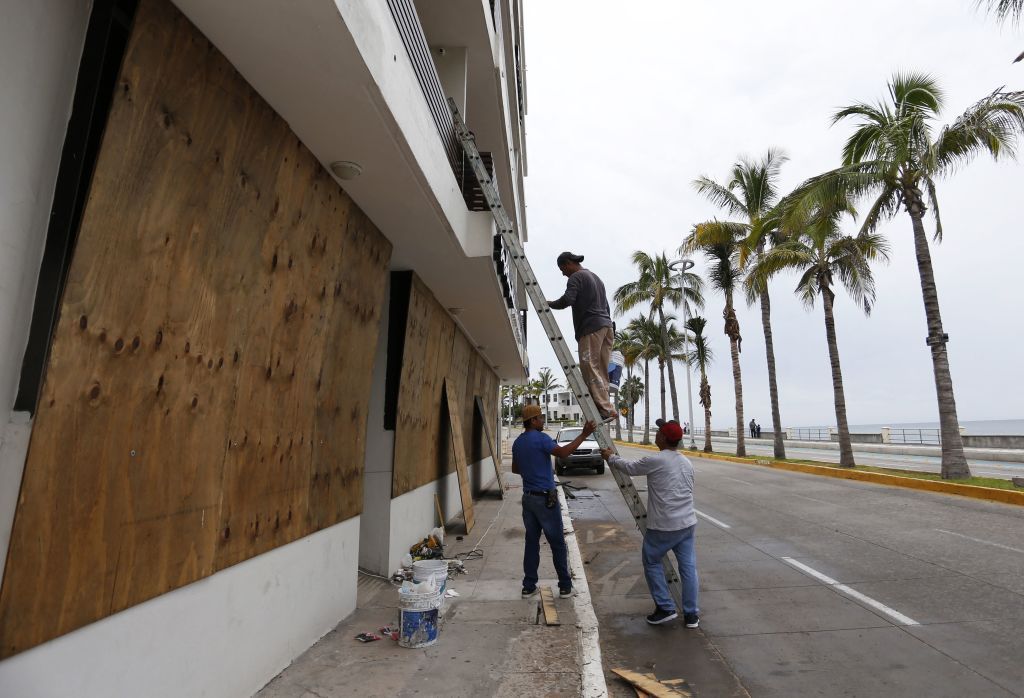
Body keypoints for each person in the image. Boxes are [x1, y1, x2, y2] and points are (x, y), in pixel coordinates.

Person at [600, 419, 699, 627]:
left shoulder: (657, 460)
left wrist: (610, 457)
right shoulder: (686, 462)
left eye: (658, 432)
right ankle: (691, 615)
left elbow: (629, 467)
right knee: (688, 568)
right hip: (687, 523)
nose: (655, 435)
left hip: (664, 525)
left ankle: (665, 607)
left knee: (651, 560)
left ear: (663, 438)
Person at [512, 404, 596, 599]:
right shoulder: (541, 439)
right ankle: (565, 586)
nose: (543, 420)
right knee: (557, 542)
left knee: (531, 542)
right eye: (540, 417)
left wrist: (533, 469)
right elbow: (563, 453)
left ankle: (529, 586)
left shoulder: (518, 442)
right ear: (533, 421)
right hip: (545, 499)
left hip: (528, 499)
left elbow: (516, 469)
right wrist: (584, 434)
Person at [548, 252, 616, 422]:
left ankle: (604, 409)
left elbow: (568, 300)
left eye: (562, 268)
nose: (563, 273)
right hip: (606, 327)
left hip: (591, 327)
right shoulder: (596, 278)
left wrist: (548, 304)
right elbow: (606, 307)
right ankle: (607, 406)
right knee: (601, 369)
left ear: (569, 263)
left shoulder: (576, 277)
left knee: (589, 367)